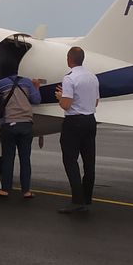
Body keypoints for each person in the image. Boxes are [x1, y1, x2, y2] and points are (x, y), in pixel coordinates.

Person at [0, 72, 43, 198]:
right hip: (26, 125)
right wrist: (37, 87)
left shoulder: (0, 84)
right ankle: (26, 191)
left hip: (9, 124)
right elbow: (36, 100)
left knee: (8, 158)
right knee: (25, 159)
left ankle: (5, 189)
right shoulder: (27, 82)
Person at [55, 46, 99, 213]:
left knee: (70, 160)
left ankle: (77, 200)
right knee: (89, 161)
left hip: (74, 122)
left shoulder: (69, 78)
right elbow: (95, 102)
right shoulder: (93, 77)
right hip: (90, 120)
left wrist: (60, 97)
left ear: (69, 59)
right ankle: (87, 198)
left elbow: (66, 105)